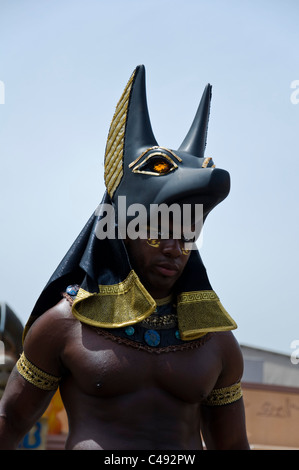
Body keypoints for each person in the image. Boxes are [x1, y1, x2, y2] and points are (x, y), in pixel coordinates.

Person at [0, 65, 249, 450]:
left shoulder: (216, 342)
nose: (173, 248)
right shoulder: (63, 326)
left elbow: (232, 446)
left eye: (186, 236)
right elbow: (11, 421)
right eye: (156, 232)